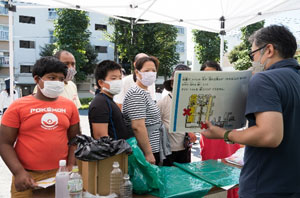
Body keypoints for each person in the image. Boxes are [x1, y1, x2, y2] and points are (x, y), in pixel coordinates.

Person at [201, 25, 300, 198]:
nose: (253, 60)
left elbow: (269, 135)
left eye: (253, 54)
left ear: (268, 50)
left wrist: (224, 134)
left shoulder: (265, 79)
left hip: (265, 185)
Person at [0, 57, 80, 198]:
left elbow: (75, 139)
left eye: (61, 79)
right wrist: (18, 172)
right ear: (37, 79)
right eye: (52, 77)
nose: (57, 83)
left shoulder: (69, 106)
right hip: (27, 177)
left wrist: (70, 166)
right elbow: (4, 143)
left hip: (59, 176)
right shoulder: (18, 106)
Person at [123, 56, 166, 165]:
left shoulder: (145, 91)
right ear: (137, 73)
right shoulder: (136, 93)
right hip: (145, 151)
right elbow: (138, 126)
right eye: (146, 71)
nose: (151, 73)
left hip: (154, 147)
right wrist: (148, 153)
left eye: (153, 70)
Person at [157, 64, 196, 166]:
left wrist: (190, 132)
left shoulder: (191, 101)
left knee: (184, 176)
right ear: (172, 84)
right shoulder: (163, 103)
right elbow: (156, 125)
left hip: (185, 148)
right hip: (168, 150)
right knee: (169, 177)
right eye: (178, 81)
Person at [89, 60, 133, 140]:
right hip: (113, 152)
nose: (118, 81)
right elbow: (101, 138)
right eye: (113, 78)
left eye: (120, 78)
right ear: (101, 83)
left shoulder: (108, 100)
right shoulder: (100, 104)